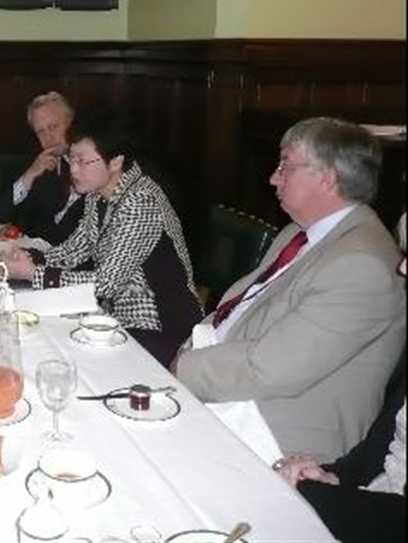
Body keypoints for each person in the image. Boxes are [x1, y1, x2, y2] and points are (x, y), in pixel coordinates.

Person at [171, 118, 404, 465]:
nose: (273, 177)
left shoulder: (362, 266)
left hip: (280, 431)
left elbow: (274, 370)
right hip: (234, 388)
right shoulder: (302, 231)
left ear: (326, 177)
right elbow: (241, 308)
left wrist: (182, 368)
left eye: (285, 166)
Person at [0, 113, 202, 366]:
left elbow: (105, 284)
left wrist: (33, 274)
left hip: (160, 326)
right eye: (71, 159)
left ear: (116, 161)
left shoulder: (140, 201)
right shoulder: (99, 194)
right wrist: (30, 257)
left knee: (66, 359)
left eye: (82, 161)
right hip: (115, 317)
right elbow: (75, 250)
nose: (73, 170)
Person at [274, 213, 406, 543]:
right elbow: (384, 448)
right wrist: (332, 477)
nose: (402, 269)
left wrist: (319, 497)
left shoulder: (363, 263)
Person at [0, 92, 84, 245]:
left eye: (53, 126)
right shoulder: (38, 164)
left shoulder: (92, 163)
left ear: (71, 123)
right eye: (41, 131)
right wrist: (30, 175)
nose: (49, 136)